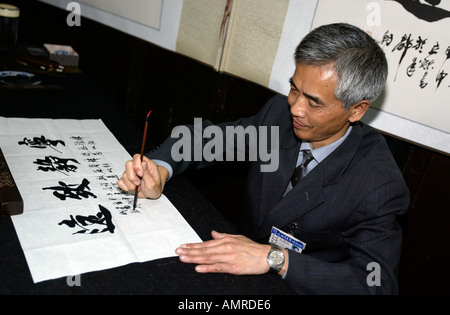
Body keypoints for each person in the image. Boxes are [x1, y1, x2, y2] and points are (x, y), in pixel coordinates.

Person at [118, 23, 410, 294]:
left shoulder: (377, 184)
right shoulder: (280, 117)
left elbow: (376, 283)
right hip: (235, 269)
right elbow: (205, 140)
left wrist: (276, 259)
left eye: (314, 102)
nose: (295, 107)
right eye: (294, 89)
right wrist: (160, 169)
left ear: (357, 110)